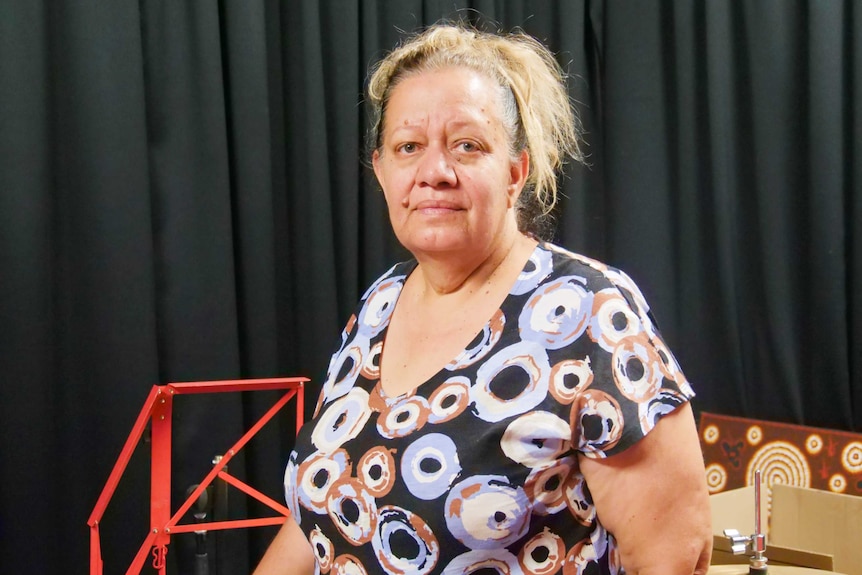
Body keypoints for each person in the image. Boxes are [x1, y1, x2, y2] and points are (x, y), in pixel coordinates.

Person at [254, 22, 712, 575]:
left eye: (467, 146)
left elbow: (674, 553)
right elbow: (315, 520)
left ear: (516, 172)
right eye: (408, 147)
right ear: (381, 171)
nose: (434, 173)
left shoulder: (590, 312)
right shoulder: (379, 305)